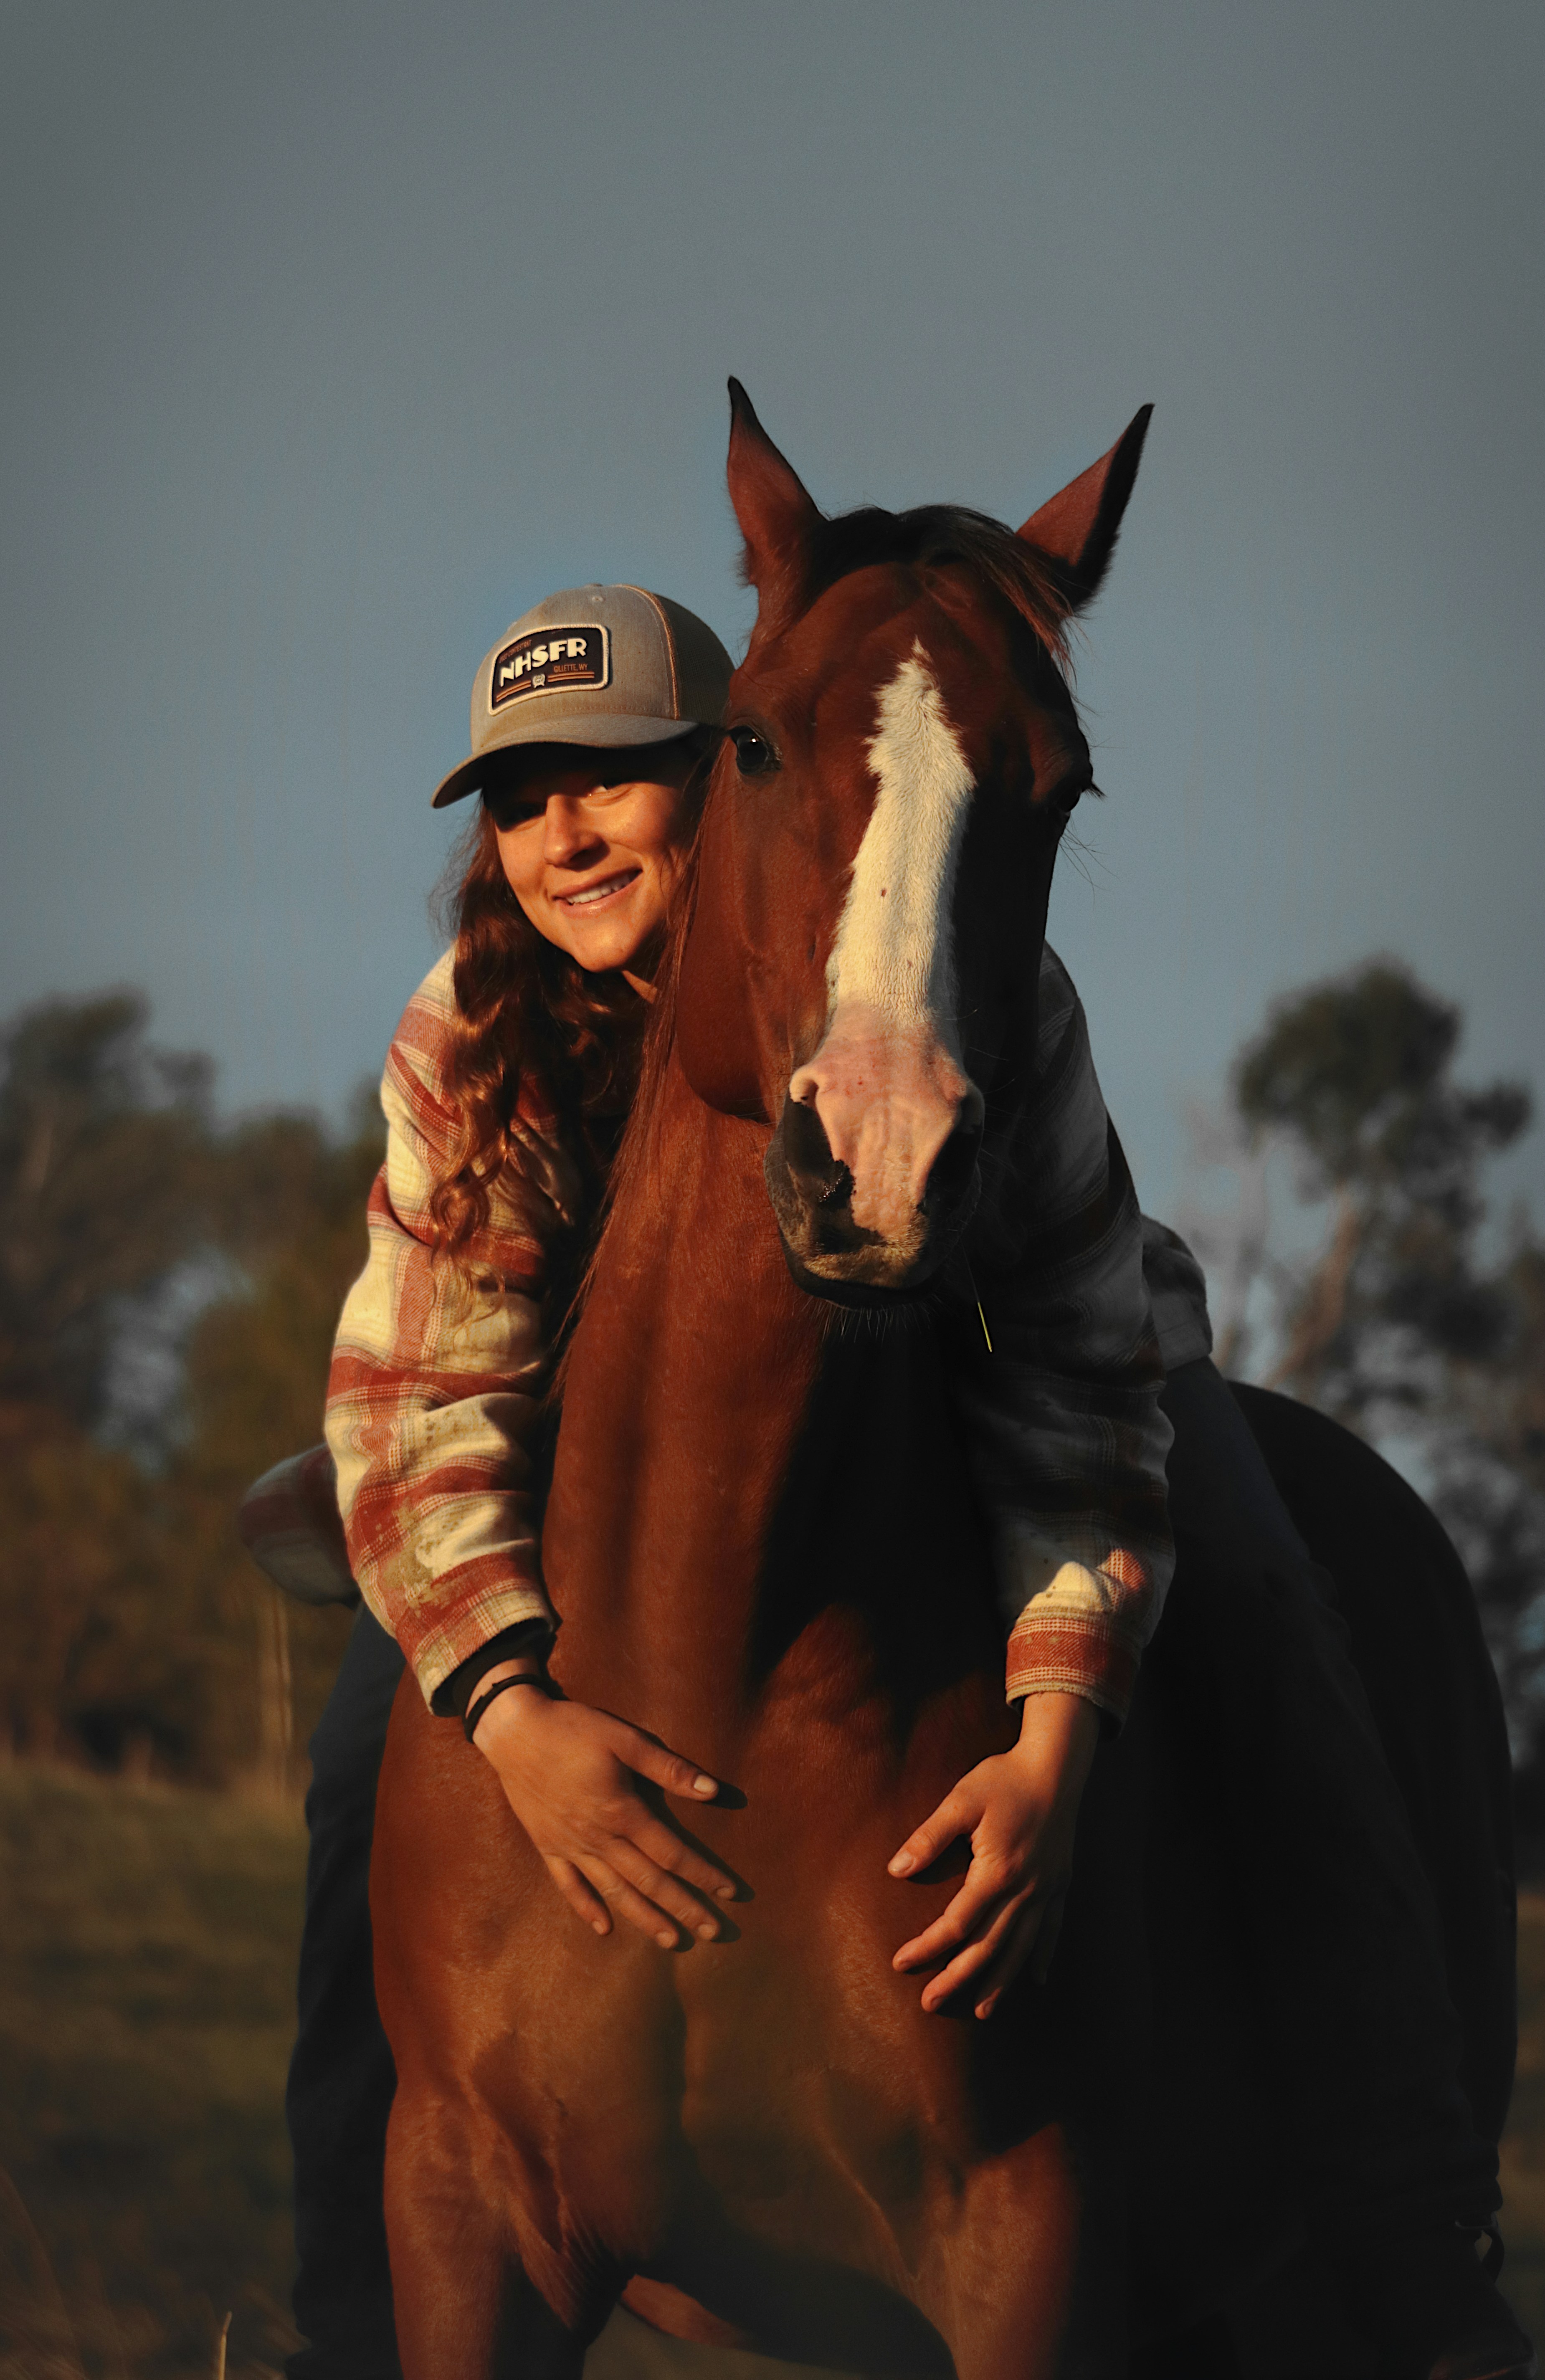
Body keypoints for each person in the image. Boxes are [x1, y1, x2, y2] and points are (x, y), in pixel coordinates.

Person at [246, 581, 1530, 2380]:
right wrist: (512, 1711)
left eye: (609, 781)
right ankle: (346, 2325)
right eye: (521, 800)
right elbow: (426, 1369)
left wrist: (1057, 1724)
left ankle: (1412, 2246)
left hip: (1067, 1369)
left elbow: (1073, 1352)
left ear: (735, 778)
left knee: (1264, 1609)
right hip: (573, 1442)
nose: (564, 833)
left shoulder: (961, 973)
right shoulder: (478, 1017)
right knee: (357, 1749)